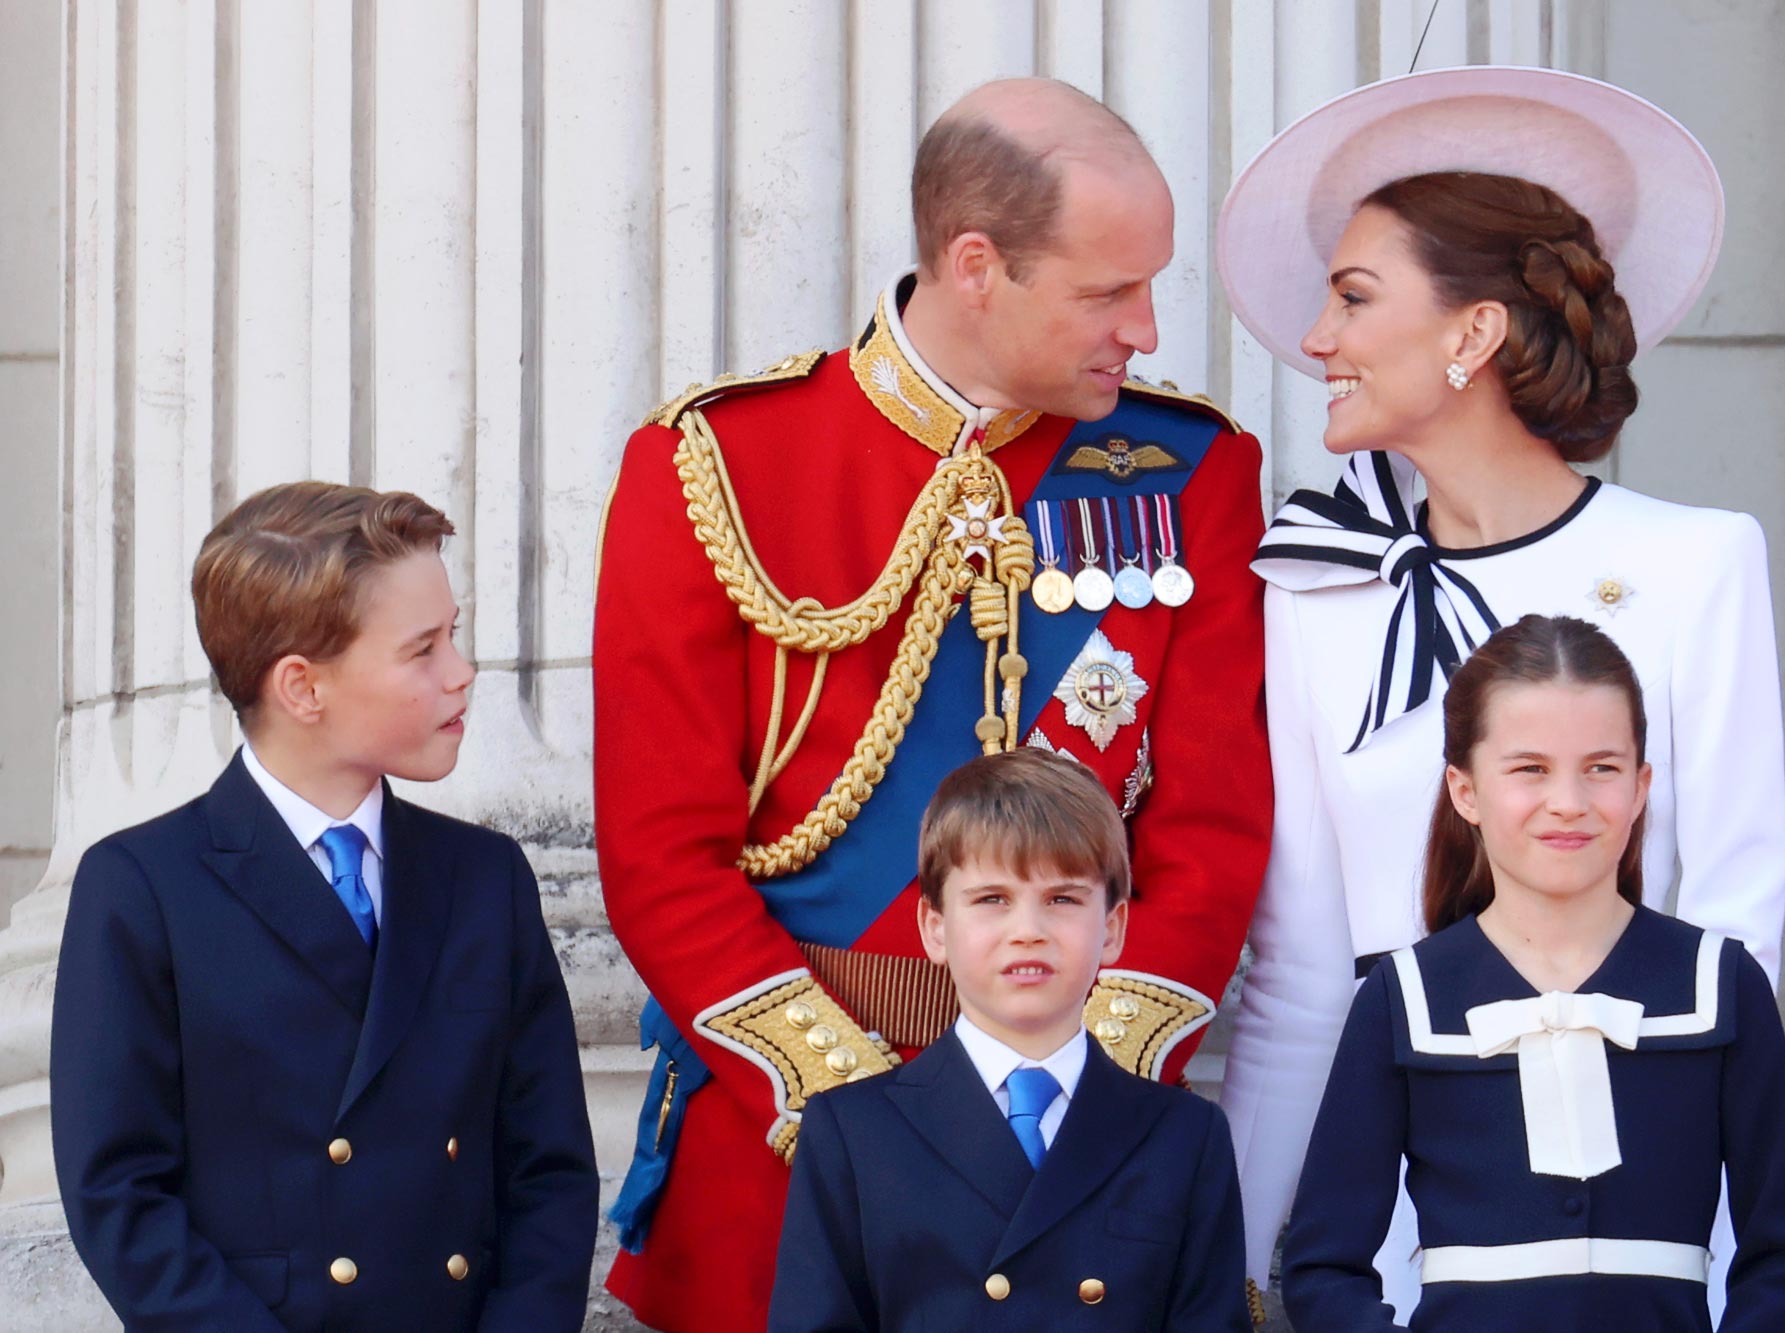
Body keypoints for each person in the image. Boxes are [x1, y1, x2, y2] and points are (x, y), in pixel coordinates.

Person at [595, 77, 1273, 1330]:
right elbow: (656, 854)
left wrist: (1073, 1081)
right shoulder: (715, 464)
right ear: (975, 266)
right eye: (1106, 291)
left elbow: (1211, 833)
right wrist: (862, 1113)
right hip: (785, 1154)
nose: (1146, 329)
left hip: (1080, 1152)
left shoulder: (1193, 474)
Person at [1211, 66, 1785, 1316]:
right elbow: (1301, 969)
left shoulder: (1696, 562)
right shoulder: (1314, 588)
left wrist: (1727, 1262)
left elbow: (1732, 931)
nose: (1317, 340)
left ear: (1470, 333)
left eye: (1353, 299)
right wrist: (1251, 1254)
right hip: (1391, 1214)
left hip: (1629, 1214)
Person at [49, 482, 598, 1331]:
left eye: (454, 635)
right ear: (303, 687)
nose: (462, 672)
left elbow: (549, 1172)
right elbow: (119, 1195)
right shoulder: (142, 887)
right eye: (423, 649)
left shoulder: (486, 878)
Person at [1279, 615, 1785, 1331]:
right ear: (1465, 790)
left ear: (1641, 786)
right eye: (1530, 768)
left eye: (1602, 767)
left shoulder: (1720, 984)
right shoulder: (1403, 997)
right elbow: (1322, 1266)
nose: (1569, 800)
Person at [770, 748, 1251, 1330]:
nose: (1028, 931)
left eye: (1063, 899)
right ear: (935, 928)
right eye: (993, 899)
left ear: (1114, 929)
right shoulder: (852, 1131)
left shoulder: (1184, 1136)